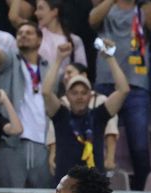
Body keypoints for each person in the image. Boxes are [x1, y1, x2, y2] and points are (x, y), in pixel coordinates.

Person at [89, 0, 151, 193]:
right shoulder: (107, 5)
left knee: (140, 147)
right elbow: (92, 20)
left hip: (136, 84)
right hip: (105, 82)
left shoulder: (143, 7)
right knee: (96, 142)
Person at [43, 40, 128, 181]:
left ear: (90, 95)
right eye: (74, 93)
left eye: (84, 93)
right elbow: (46, 92)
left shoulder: (99, 115)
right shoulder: (61, 115)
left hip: (92, 189)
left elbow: (123, 90)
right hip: (66, 189)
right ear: (67, 96)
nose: (79, 97)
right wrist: (58, 60)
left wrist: (110, 57)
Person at [0, 21, 51, 193]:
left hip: (43, 143)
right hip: (12, 143)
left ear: (39, 39)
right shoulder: (9, 61)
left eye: (28, 32)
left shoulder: (49, 67)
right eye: (19, 33)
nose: (23, 35)